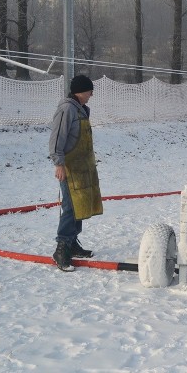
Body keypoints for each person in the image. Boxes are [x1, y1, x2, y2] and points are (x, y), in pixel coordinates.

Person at [48, 74, 103, 272]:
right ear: (81, 91)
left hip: (83, 167)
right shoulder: (66, 109)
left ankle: (72, 243)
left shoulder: (80, 109)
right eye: (89, 91)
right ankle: (61, 248)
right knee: (71, 206)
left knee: (79, 205)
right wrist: (59, 164)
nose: (91, 94)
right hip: (69, 167)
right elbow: (56, 140)